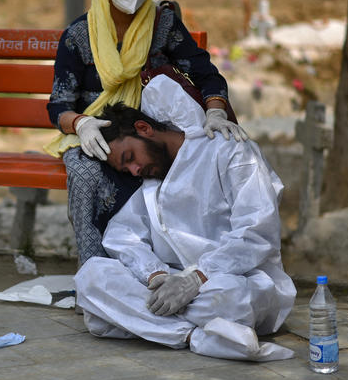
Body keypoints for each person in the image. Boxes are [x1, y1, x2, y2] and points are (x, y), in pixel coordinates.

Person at [44, 0, 248, 266]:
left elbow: (206, 74)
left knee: (174, 166)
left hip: (144, 129)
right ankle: (96, 269)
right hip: (95, 131)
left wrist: (215, 110)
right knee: (84, 175)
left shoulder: (161, 23)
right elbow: (59, 103)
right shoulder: (80, 35)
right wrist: (80, 123)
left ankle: (182, 266)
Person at [74, 75, 296, 361]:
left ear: (144, 128)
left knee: (229, 299)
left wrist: (196, 279)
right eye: (125, 168)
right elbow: (122, 235)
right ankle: (197, 337)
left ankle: (146, 323)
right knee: (91, 276)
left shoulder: (229, 150)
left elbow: (257, 232)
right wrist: (156, 275)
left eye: (130, 157)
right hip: (172, 279)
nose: (134, 170)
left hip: (234, 278)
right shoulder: (153, 182)